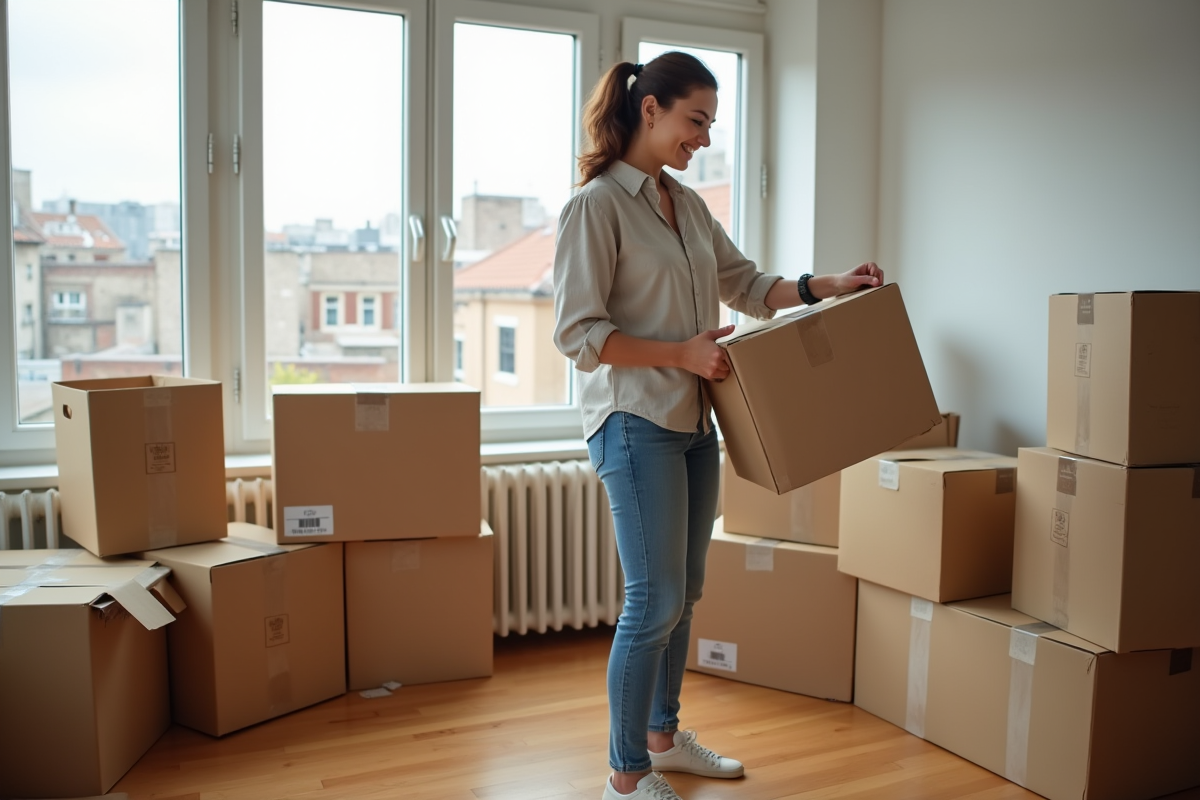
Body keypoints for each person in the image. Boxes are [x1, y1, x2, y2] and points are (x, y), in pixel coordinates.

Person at [551, 52, 883, 800]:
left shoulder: (689, 206)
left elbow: (749, 286)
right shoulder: (596, 207)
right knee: (653, 601)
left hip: (696, 422)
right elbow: (579, 334)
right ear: (650, 110)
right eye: (695, 121)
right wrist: (683, 354)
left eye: (709, 125)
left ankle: (663, 738)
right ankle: (626, 777)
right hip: (633, 420)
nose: (703, 138)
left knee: (687, 591)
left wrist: (830, 285)